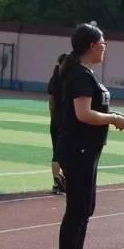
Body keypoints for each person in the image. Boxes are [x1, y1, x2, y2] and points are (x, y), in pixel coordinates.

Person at [53, 22, 124, 249]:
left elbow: (92, 110)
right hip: (78, 149)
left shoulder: (86, 73)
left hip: (88, 148)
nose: (105, 47)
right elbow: (83, 114)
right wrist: (113, 119)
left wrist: (114, 116)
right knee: (77, 207)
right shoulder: (79, 75)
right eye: (103, 43)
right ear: (91, 46)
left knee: (86, 207)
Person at [47, 53, 69, 194]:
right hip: (67, 121)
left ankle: (57, 183)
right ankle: (64, 182)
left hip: (56, 120)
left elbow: (51, 102)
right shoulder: (70, 79)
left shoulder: (54, 79)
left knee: (56, 152)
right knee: (67, 152)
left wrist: (53, 117)